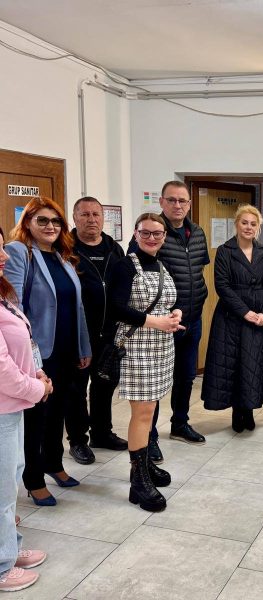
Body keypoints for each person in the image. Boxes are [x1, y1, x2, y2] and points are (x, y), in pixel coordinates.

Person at [4, 197, 91, 506]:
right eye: (42, 220)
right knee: (37, 418)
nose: (50, 226)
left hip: (66, 350)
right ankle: (33, 479)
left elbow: (77, 307)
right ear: (28, 223)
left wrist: (83, 346)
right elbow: (13, 307)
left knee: (59, 411)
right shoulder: (20, 252)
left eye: (55, 221)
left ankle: (54, 463)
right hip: (38, 353)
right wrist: (29, 357)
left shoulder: (63, 257)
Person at [129, 181, 209, 463]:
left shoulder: (197, 232)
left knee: (186, 376)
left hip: (192, 318)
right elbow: (136, 274)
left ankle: (180, 423)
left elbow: (198, 269)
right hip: (162, 323)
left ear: (189, 204)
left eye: (182, 201)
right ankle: (148, 436)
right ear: (162, 202)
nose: (178, 205)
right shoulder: (152, 232)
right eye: (172, 200)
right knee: (155, 383)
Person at [108, 213, 183, 512]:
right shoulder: (125, 266)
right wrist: (155, 321)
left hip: (162, 345)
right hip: (136, 345)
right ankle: (138, 481)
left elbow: (170, 301)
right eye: (146, 233)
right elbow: (115, 308)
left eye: (157, 233)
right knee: (142, 413)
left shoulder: (162, 266)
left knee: (151, 409)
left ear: (164, 236)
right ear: (136, 234)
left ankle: (144, 466)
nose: (152, 238)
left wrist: (175, 314)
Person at [201, 205, 263, 431]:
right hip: (231, 317)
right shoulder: (225, 251)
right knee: (234, 364)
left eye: (253, 224)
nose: (248, 227)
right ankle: (237, 411)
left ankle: (248, 410)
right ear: (236, 224)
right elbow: (222, 286)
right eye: (244, 222)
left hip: (260, 318)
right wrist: (245, 312)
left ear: (258, 227)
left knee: (253, 364)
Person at [0, 226, 51, 592]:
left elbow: (21, 341)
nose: (4, 256)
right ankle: (2, 567)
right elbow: (1, 369)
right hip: (4, 405)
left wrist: (36, 371)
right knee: (1, 491)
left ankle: (9, 548)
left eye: (2, 248)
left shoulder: (3, 292)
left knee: (10, 480)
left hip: (12, 406)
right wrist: (37, 388)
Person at [65, 196, 127, 466]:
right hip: (78, 333)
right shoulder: (65, 249)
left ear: (103, 218)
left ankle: (102, 433)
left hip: (110, 333)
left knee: (105, 384)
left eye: (96, 214)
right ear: (74, 218)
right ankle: (78, 440)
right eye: (85, 214)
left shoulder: (115, 249)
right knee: (76, 389)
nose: (91, 219)